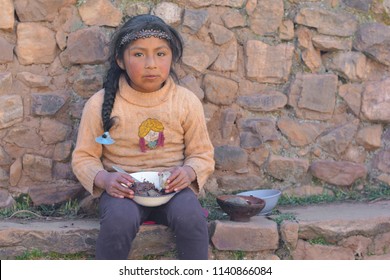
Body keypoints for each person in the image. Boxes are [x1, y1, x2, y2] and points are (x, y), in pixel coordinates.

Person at [71, 14, 215, 260]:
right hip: (123, 192)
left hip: (174, 190)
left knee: (192, 219)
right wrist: (105, 179)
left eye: (161, 54)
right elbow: (84, 157)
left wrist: (189, 172)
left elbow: (202, 154)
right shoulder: (99, 104)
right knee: (118, 222)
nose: (151, 64)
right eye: (138, 54)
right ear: (120, 60)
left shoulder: (185, 101)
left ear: (172, 57)